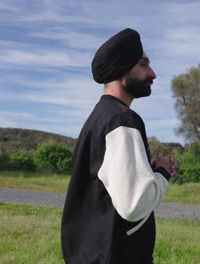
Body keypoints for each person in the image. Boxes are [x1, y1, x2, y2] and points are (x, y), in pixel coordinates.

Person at [61, 28, 177, 264]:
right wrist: (163, 173)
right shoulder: (122, 120)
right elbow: (134, 205)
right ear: (122, 67)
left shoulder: (98, 117)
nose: (153, 74)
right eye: (144, 64)